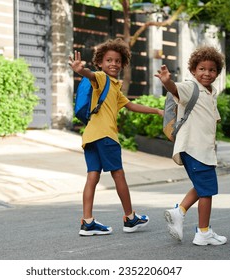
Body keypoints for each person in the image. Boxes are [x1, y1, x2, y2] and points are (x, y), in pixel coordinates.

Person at [68, 38, 164, 236]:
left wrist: (156, 110)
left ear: (123, 64)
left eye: (118, 61)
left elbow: (131, 105)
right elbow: (91, 75)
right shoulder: (101, 78)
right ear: (100, 63)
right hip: (105, 136)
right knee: (118, 174)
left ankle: (87, 222)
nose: (114, 64)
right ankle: (130, 218)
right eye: (109, 60)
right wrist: (80, 71)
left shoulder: (114, 87)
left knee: (92, 177)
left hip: (90, 137)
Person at [154, 45, 227, 246]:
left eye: (212, 69)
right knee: (207, 191)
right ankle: (203, 233)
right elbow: (175, 89)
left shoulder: (210, 93)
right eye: (201, 68)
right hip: (193, 148)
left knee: (203, 185)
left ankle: (179, 212)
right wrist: (167, 81)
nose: (206, 73)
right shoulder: (190, 87)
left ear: (217, 73)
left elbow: (213, 120)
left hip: (203, 149)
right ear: (193, 70)